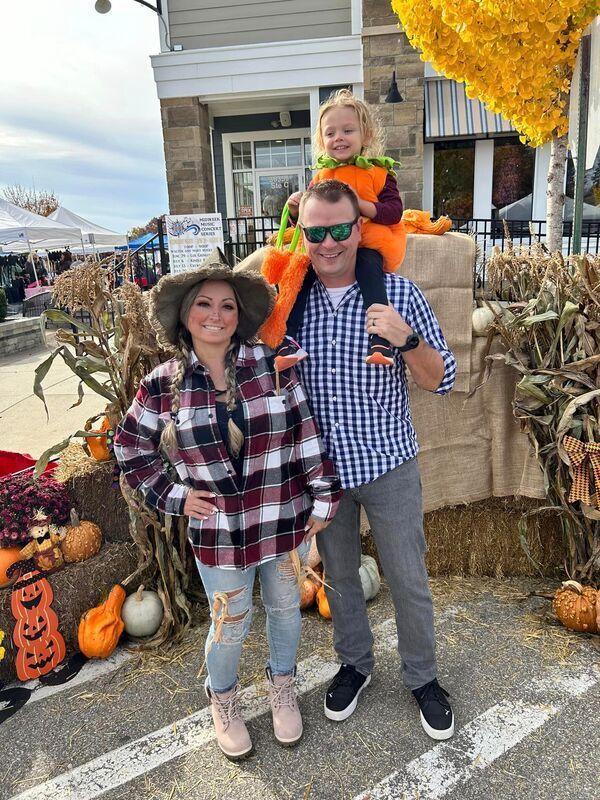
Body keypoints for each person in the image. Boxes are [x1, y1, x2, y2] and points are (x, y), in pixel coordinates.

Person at [114, 250, 341, 761]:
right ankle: (224, 700)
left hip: (280, 517)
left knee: (285, 608)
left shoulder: (273, 364)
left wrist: (324, 496)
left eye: (228, 306)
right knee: (231, 618)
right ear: (184, 315)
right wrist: (175, 495)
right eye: (204, 304)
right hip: (218, 531)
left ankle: (281, 686)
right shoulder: (162, 385)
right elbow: (128, 447)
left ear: (241, 317)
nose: (216, 315)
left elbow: (304, 433)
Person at [293, 179, 457, 741]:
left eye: (340, 229)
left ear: (359, 229)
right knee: (339, 578)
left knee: (408, 579)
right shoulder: (291, 304)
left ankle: (423, 678)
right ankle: (355, 665)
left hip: (388, 465)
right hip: (324, 476)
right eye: (317, 232)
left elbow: (444, 381)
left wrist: (408, 342)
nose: (329, 243)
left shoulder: (396, 294)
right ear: (304, 236)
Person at [273, 88, 407, 371]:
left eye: (348, 130)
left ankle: (379, 337)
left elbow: (393, 212)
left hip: (368, 243)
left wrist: (359, 204)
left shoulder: (379, 174)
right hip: (332, 246)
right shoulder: (321, 176)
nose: (339, 138)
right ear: (322, 140)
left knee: (370, 272)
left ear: (365, 135)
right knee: (301, 278)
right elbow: (313, 223)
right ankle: (289, 339)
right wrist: (296, 209)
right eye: (331, 133)